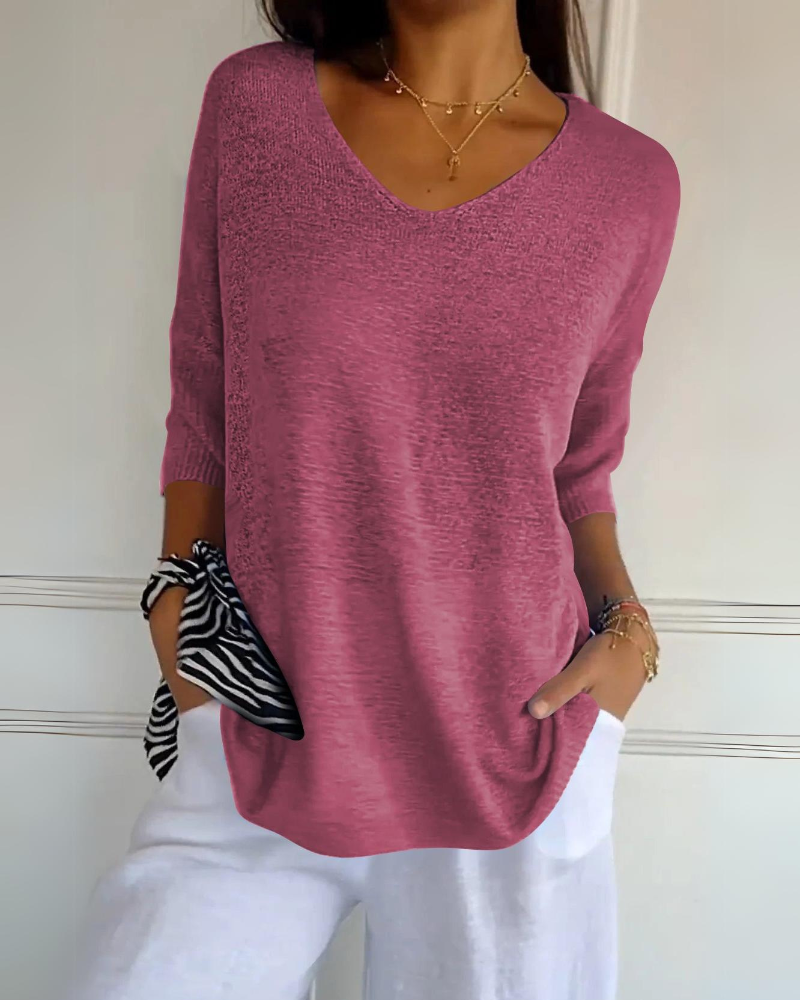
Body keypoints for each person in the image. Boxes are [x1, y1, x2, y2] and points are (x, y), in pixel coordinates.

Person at [67, 1, 679, 997]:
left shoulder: (631, 180)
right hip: (259, 728)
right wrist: (178, 614)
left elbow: (579, 467)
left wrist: (629, 639)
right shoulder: (258, 106)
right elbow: (205, 388)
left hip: (516, 751)